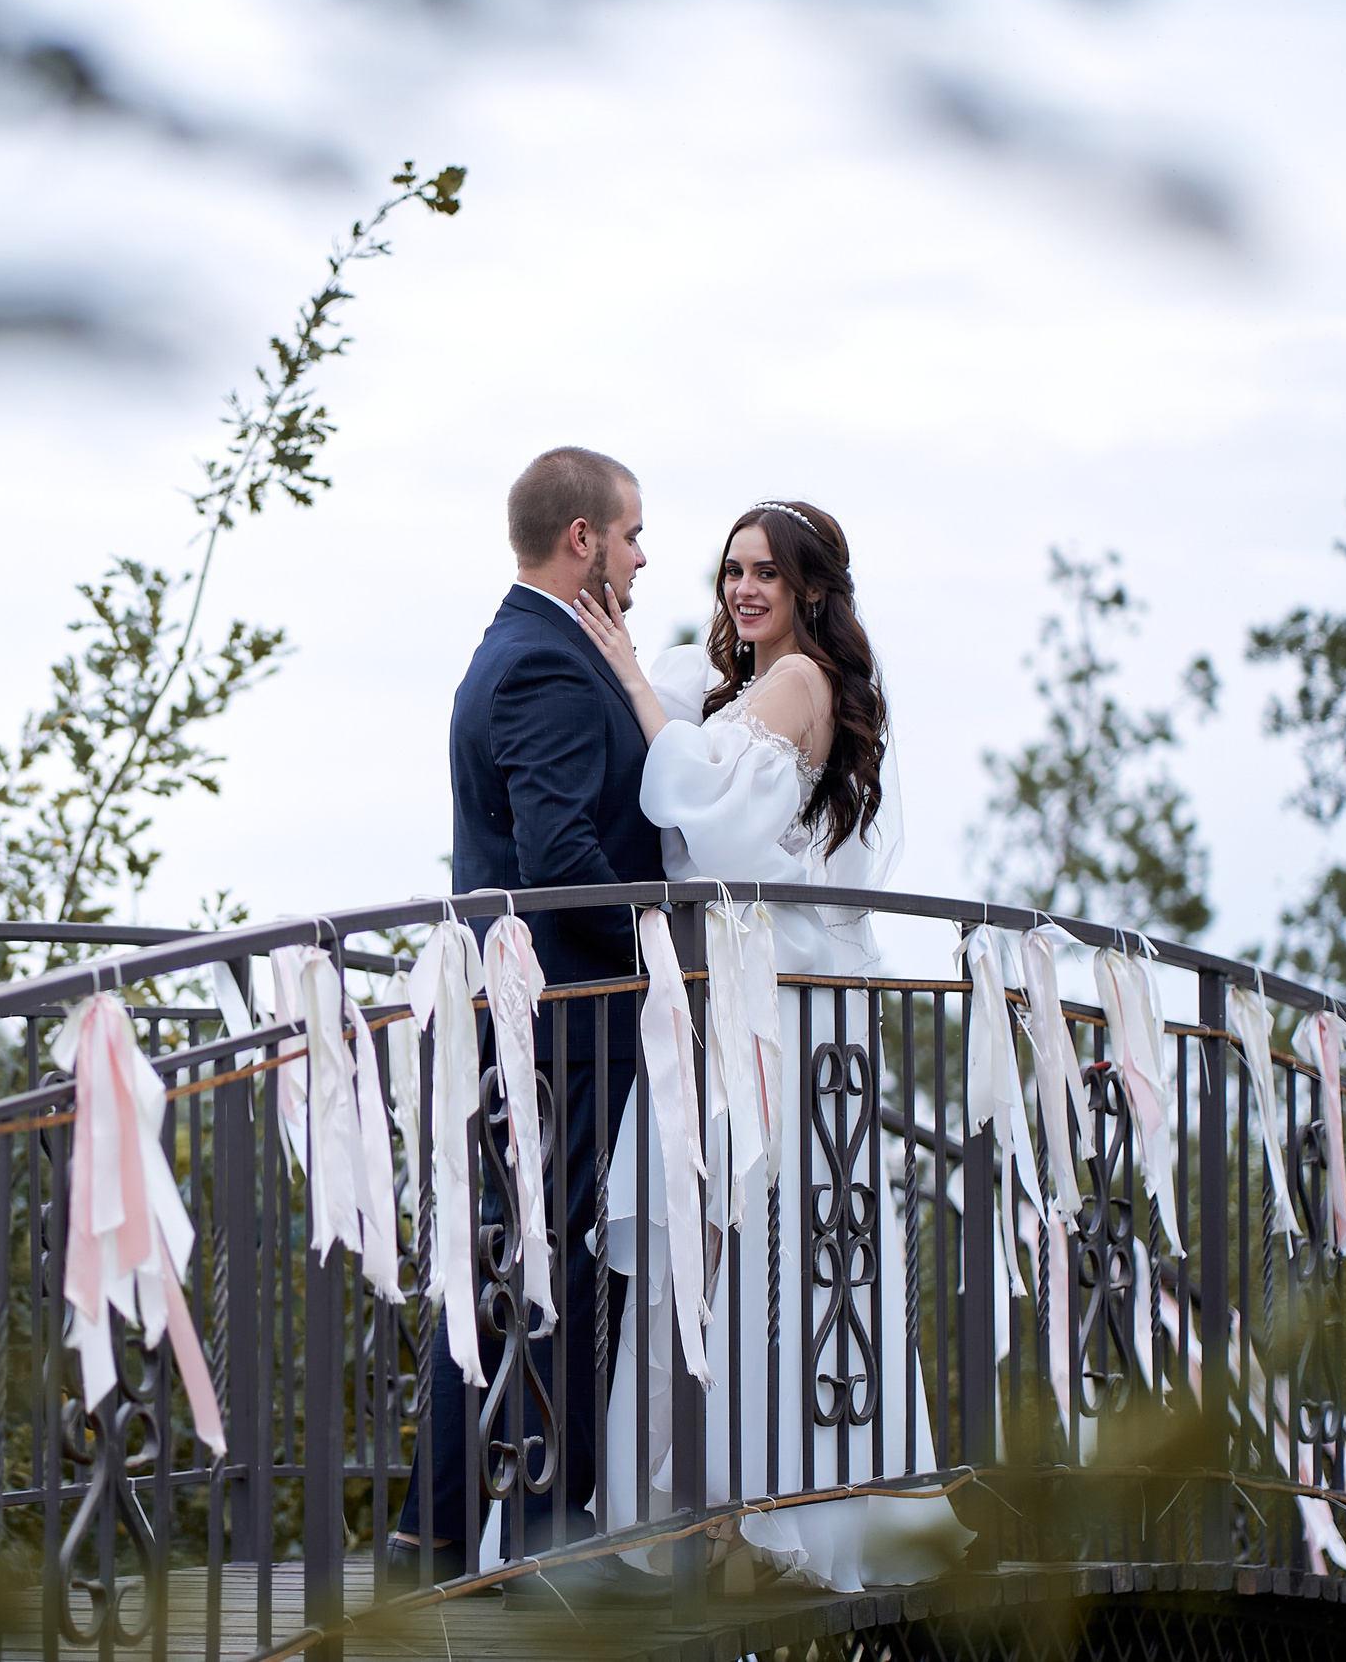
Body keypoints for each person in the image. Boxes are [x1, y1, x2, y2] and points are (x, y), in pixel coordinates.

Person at [568, 500, 970, 1594]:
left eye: (765, 575)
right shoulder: (760, 684)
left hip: (767, 1009)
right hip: (771, 999)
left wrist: (636, 684)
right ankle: (738, 1500)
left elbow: (720, 826)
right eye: (732, 571)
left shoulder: (795, 681)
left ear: (809, 591)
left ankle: (736, 1504)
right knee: (763, 1239)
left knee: (750, 1236)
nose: (742, 590)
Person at [386, 445, 665, 1601]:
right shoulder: (544, 664)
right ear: (581, 538)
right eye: (633, 533)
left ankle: (441, 1539)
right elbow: (558, 861)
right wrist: (661, 947)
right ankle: (534, 1531)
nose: (644, 556)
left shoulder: (527, 647)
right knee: (550, 1267)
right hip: (566, 1021)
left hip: (546, 1019)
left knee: (520, 1264)